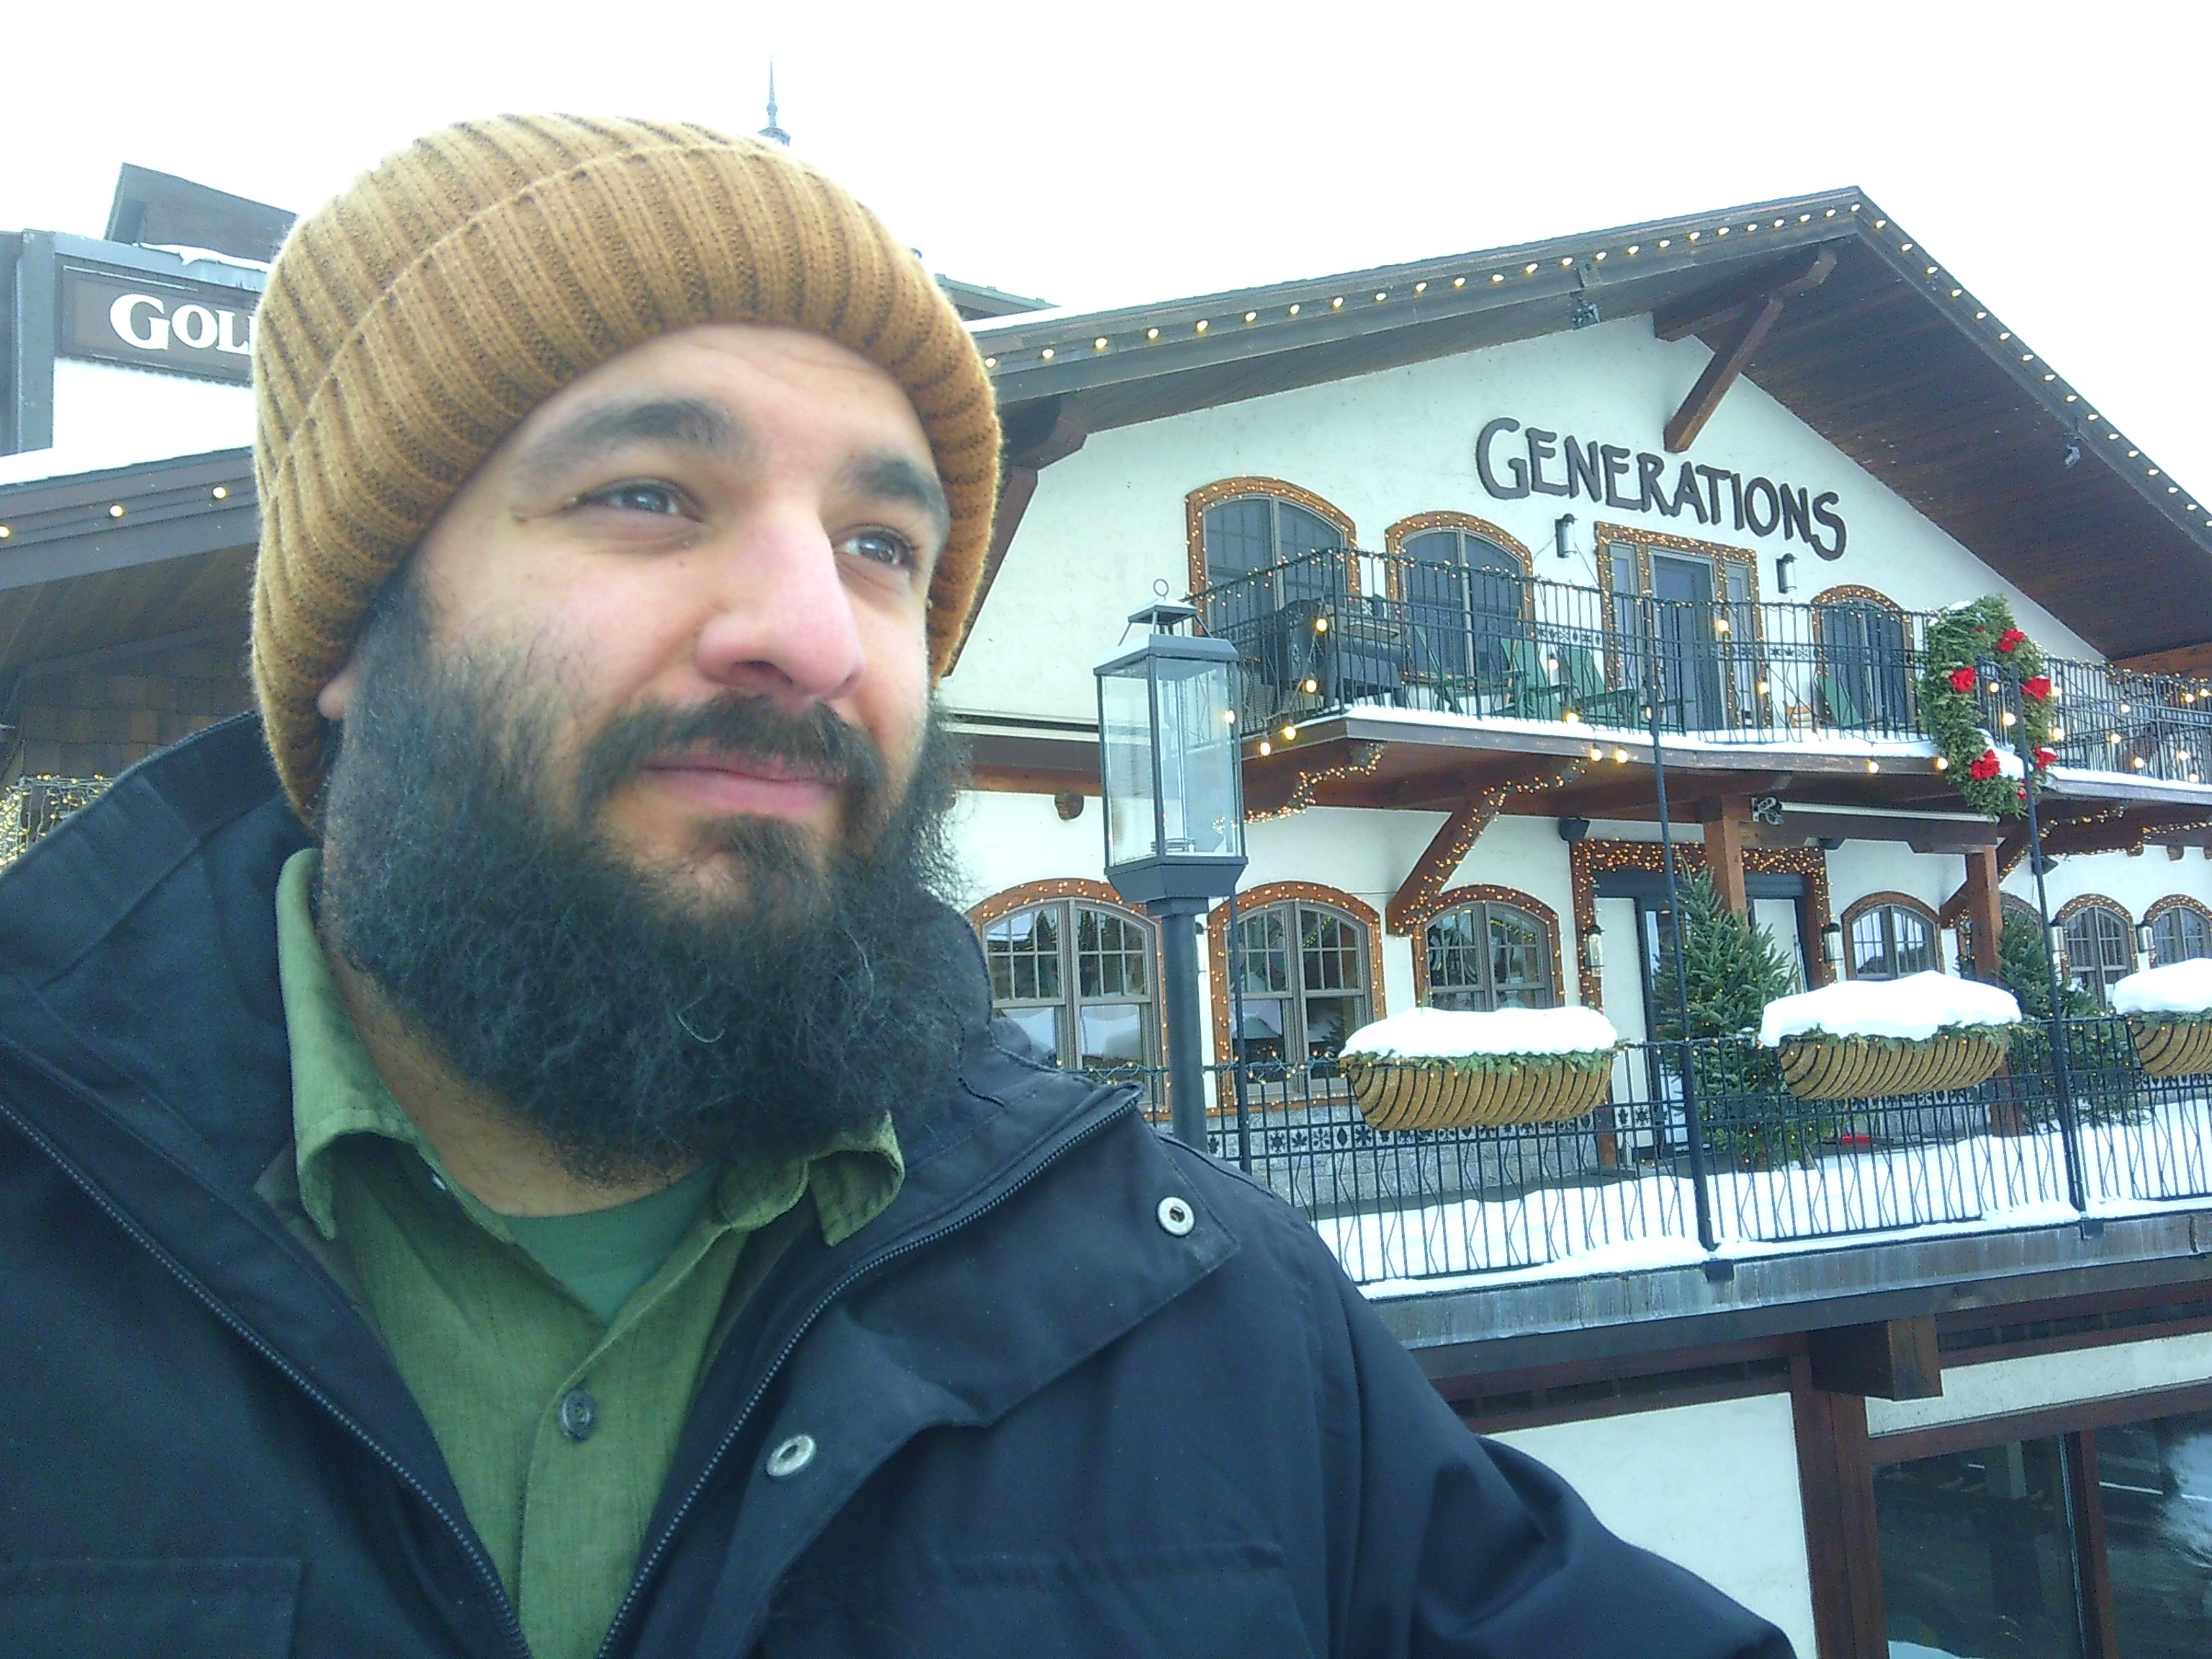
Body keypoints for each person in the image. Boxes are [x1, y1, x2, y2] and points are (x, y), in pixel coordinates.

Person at [0, 117, 1791, 1659]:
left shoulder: (1203, 1312)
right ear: (351, 630)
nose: (811, 632)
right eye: (643, 493)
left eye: (882, 545)